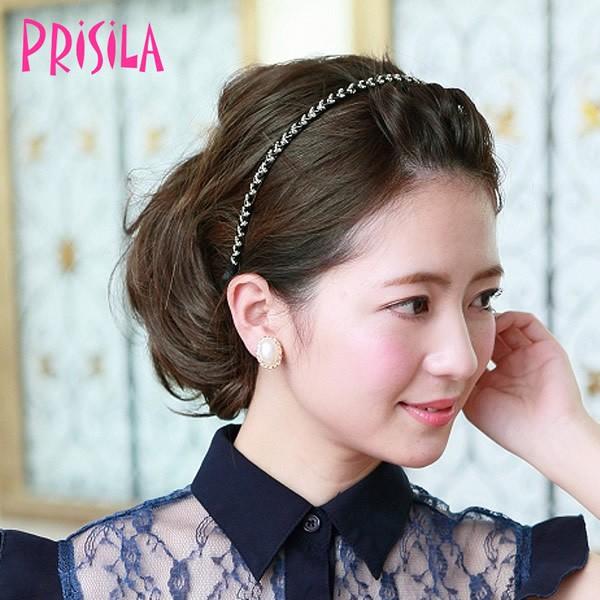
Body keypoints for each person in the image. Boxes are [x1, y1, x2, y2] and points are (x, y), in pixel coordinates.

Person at [1, 52, 599, 599]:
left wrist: (566, 438)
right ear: (260, 313)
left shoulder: (508, 579)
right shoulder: (83, 583)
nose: (464, 358)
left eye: (482, 298)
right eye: (414, 303)